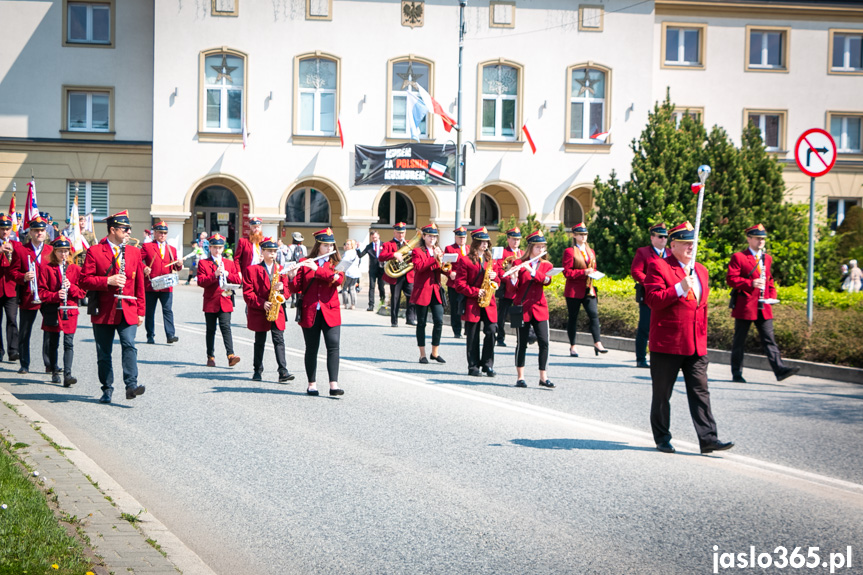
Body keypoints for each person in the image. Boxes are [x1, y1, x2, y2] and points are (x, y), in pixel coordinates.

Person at [644, 221, 734, 455]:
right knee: (663, 394)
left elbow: (700, 307)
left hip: (695, 344)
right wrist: (678, 288)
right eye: (685, 243)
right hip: (668, 342)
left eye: (693, 243)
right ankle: (662, 437)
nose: (690, 248)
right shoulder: (659, 266)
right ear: (672, 245)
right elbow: (652, 300)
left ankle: (708, 439)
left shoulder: (701, 270)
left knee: (701, 392)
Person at [79, 210, 146, 404]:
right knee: (104, 352)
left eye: (129, 229)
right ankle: (107, 388)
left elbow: (139, 284)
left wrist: (141, 311)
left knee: (129, 345)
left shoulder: (134, 251)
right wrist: (108, 280)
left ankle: (131, 385)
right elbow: (84, 280)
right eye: (125, 229)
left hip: (128, 307)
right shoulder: (95, 251)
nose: (128, 232)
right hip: (104, 310)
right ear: (112, 230)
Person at [727, 224, 800, 383]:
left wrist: (772, 295)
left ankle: (780, 370)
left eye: (763, 239)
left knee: (769, 339)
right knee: (739, 341)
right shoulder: (739, 257)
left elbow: (770, 279)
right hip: (745, 305)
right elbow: (731, 279)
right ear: (749, 239)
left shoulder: (767, 258)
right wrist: (750, 283)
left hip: (764, 305)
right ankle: (736, 373)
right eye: (758, 238)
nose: (761, 241)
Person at [287, 228, 345, 397]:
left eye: (331, 245)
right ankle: (311, 384)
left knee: (333, 346)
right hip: (310, 310)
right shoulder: (305, 262)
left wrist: (317, 269)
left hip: (330, 311)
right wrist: (291, 276)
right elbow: (296, 288)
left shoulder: (335, 264)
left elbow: (338, 280)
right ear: (318, 246)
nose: (329, 248)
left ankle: (333, 384)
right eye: (325, 245)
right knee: (311, 348)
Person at [242, 237, 294, 383]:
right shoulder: (252, 270)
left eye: (274, 251)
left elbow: (288, 291)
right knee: (260, 341)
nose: (272, 254)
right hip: (261, 310)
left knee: (279, 340)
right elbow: (247, 293)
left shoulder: (281, 270)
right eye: (269, 251)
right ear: (262, 252)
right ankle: (257, 370)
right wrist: (262, 303)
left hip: (277, 310)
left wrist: (283, 290)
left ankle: (283, 371)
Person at [454, 227, 501, 377]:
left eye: (486, 241)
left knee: (491, 331)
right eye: (481, 241)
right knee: (473, 335)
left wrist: (495, 278)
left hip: (489, 302)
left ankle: (487, 364)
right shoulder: (465, 260)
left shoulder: (490, 260)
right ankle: (473, 366)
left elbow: (498, 281)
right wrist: (475, 292)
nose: (485, 244)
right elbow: (459, 285)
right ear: (475, 243)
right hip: (473, 302)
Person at [38, 236, 85, 386]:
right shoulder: (46, 269)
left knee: (68, 343)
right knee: (53, 342)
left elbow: (82, 293)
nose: (63, 254)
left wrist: (71, 286)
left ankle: (68, 374)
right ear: (55, 252)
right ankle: (53, 372)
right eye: (60, 251)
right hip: (53, 310)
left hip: (69, 310)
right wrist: (55, 295)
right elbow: (41, 293)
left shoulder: (76, 269)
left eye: (66, 251)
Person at [510, 230, 555, 388]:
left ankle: (543, 377)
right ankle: (520, 377)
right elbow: (513, 289)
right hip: (522, 308)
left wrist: (531, 270)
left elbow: (547, 281)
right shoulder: (518, 263)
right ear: (530, 248)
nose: (541, 250)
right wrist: (514, 279)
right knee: (521, 343)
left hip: (540, 307)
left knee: (544, 342)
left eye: (543, 247)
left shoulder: (546, 265)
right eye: (538, 247)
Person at [10, 216, 52, 374]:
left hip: (47, 296)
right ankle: (24, 364)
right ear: (30, 232)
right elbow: (12, 272)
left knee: (49, 330)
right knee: (25, 330)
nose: (39, 233)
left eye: (42, 230)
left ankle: (49, 363)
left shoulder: (50, 250)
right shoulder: (21, 250)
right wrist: (23, 277)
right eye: (36, 230)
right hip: (29, 295)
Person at [195, 233, 242, 368]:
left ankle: (230, 355)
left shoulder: (229, 263)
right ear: (210, 248)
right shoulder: (204, 263)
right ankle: (210, 356)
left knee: (226, 327)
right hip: (211, 300)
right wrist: (214, 275)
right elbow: (201, 282)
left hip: (225, 299)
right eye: (214, 247)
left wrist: (228, 274)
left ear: (223, 248)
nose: (217, 250)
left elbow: (238, 280)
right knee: (211, 330)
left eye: (220, 247)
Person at [562, 222, 608, 357]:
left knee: (594, 315)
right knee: (573, 318)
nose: (583, 237)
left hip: (589, 288)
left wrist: (593, 273)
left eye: (585, 234)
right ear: (574, 236)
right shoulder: (569, 251)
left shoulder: (591, 251)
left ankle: (597, 343)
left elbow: (592, 267)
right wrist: (584, 273)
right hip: (574, 290)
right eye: (581, 234)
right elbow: (567, 273)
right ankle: (573, 346)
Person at [630, 222, 669, 368]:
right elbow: (636, 271)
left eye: (665, 237)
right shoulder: (643, 252)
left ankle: (662, 358)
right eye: (660, 237)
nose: (663, 240)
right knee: (645, 327)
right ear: (652, 238)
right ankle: (641, 358)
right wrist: (651, 282)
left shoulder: (670, 253)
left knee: (663, 327)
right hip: (649, 295)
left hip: (666, 295)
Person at [410, 223, 446, 365]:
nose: (432, 238)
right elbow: (419, 267)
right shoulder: (417, 251)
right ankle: (422, 354)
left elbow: (442, 268)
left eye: (434, 236)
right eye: (430, 236)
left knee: (439, 321)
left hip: (435, 291)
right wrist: (434, 258)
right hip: (422, 291)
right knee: (422, 323)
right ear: (424, 237)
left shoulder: (439, 250)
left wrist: (449, 271)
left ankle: (435, 352)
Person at [141, 221, 183, 345]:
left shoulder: (172, 249)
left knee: (168, 310)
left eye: (165, 233)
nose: (163, 235)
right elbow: (137, 260)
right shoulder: (147, 247)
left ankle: (170, 335)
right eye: (160, 232)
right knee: (150, 311)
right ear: (154, 233)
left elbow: (175, 267)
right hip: (151, 284)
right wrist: (144, 268)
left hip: (166, 285)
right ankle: (150, 335)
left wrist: (179, 264)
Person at [379, 222, 417, 328]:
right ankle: (394, 320)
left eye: (403, 233)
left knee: (412, 296)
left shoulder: (409, 243)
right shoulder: (388, 244)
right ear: (394, 232)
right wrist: (393, 254)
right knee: (395, 298)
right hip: (395, 275)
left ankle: (410, 318)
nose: (401, 235)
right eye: (399, 233)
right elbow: (381, 257)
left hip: (408, 274)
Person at [496, 227, 524, 347]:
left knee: (518, 314)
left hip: (519, 289)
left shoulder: (522, 253)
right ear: (508, 239)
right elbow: (498, 269)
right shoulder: (503, 252)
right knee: (502, 315)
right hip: (506, 288)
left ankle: (520, 338)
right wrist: (510, 279)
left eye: (518, 239)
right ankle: (500, 337)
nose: (516, 241)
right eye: (513, 239)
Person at [0, 215, 20, 362]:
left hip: (11, 289)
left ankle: (13, 350)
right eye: (2, 229)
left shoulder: (16, 244)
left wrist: (13, 252)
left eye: (7, 229)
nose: (5, 232)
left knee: (12, 319)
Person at [444, 227, 468, 338]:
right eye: (460, 237)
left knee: (468, 306)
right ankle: (457, 330)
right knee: (455, 307)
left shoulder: (469, 249)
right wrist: (450, 273)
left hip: (468, 283)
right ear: (455, 237)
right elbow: (445, 265)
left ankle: (468, 329)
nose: (462, 239)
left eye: (463, 237)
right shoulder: (450, 248)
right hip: (454, 283)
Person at [357, 230, 387, 312]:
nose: (375, 239)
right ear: (371, 238)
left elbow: (388, 255)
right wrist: (358, 248)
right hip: (373, 269)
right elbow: (360, 255)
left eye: (376, 237)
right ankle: (371, 305)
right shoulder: (369, 246)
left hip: (381, 269)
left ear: (379, 236)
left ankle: (382, 302)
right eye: (373, 237)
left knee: (381, 287)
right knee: (371, 287)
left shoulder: (384, 245)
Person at [340, 239, 361, 310]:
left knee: (345, 288)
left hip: (348, 272)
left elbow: (344, 262)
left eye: (348, 244)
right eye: (346, 244)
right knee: (352, 288)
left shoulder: (348, 252)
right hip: (355, 272)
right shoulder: (355, 252)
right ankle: (353, 304)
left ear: (351, 245)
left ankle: (345, 303)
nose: (346, 245)